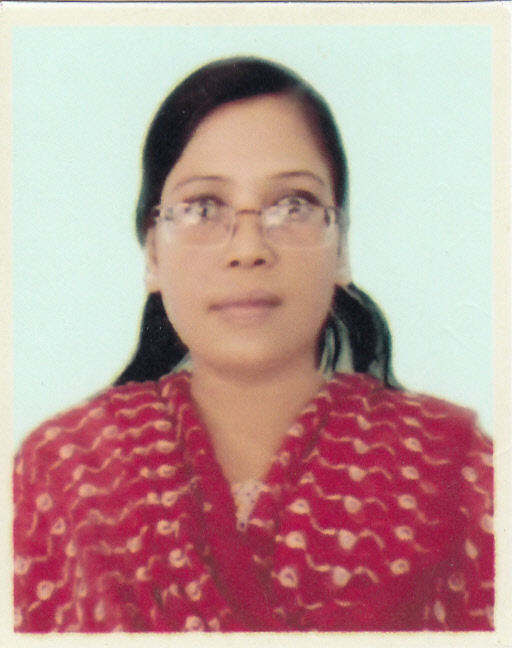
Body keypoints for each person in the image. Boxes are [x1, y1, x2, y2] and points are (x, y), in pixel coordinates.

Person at [13, 56, 494, 633]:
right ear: (153, 253)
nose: (248, 249)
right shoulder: (63, 476)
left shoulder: (458, 470)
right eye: (203, 208)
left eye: (293, 205)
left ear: (341, 247)